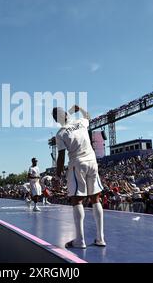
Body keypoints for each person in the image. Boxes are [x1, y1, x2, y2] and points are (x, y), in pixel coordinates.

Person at [53, 105, 106, 248]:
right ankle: (100, 238)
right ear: (66, 114)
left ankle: (80, 240)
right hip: (92, 161)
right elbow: (88, 116)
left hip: (78, 163)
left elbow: (61, 157)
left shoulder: (60, 133)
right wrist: (78, 108)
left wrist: (57, 177)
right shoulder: (80, 122)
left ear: (55, 120)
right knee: (96, 198)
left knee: (77, 200)